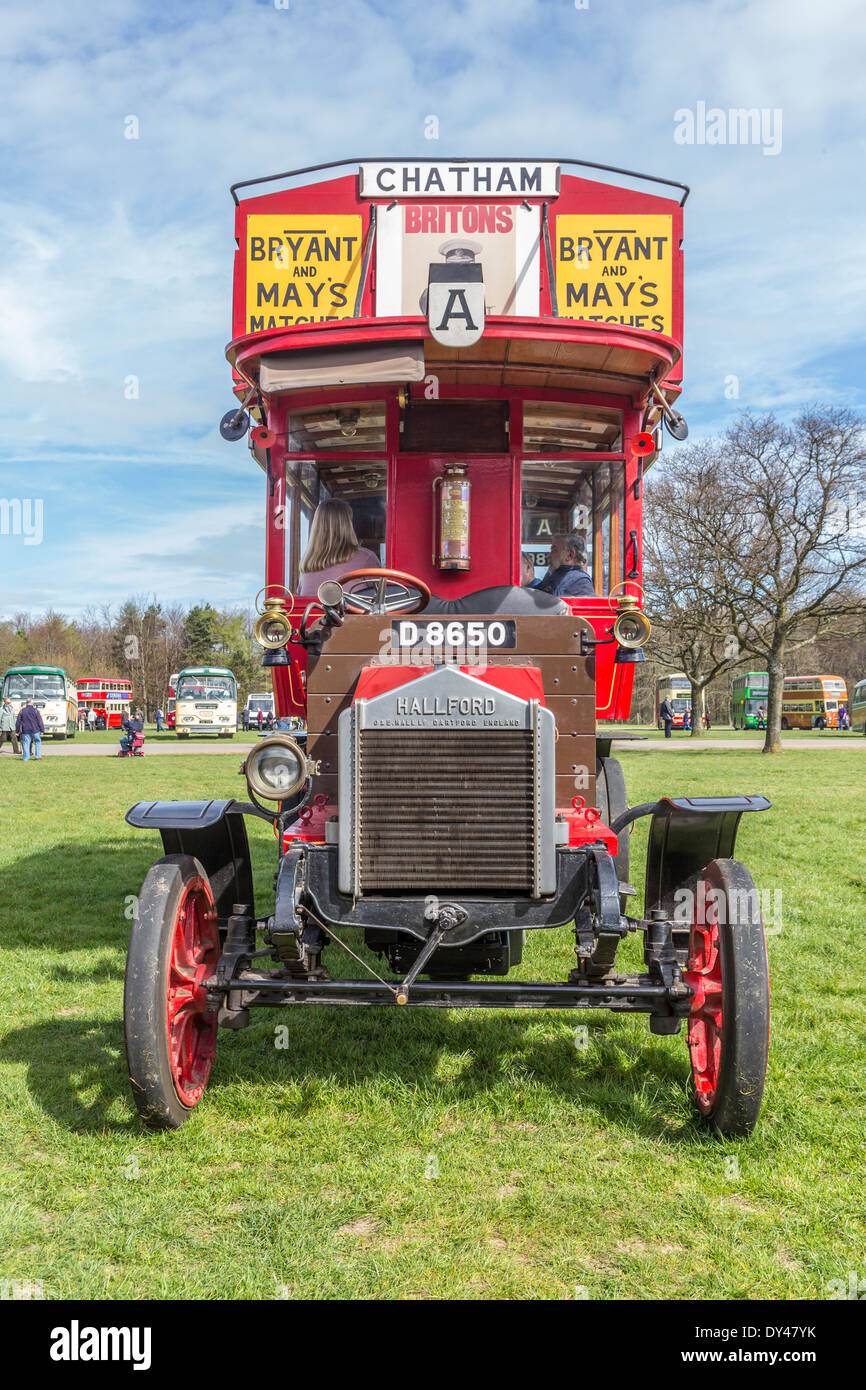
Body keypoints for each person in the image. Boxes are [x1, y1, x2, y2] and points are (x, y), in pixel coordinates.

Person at [296, 497, 380, 596]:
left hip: (310, 612)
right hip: (349, 612)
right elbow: (383, 599)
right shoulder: (366, 557)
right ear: (347, 524)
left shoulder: (306, 564)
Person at [535, 534, 595, 599]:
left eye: (554, 550)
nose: (548, 556)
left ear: (570, 555)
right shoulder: (552, 574)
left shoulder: (581, 581)